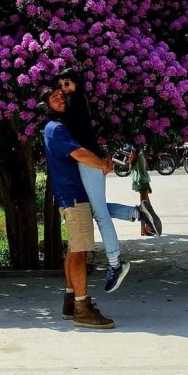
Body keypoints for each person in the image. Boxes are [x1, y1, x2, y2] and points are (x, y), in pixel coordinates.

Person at [55, 69, 156, 288]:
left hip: (87, 161)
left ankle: (115, 263)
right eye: (61, 85)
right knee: (92, 208)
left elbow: (76, 133)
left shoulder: (75, 101)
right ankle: (137, 213)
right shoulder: (80, 102)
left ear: (76, 83)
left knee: (99, 213)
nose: (63, 89)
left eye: (66, 83)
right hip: (91, 159)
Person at [41, 85, 115, 328]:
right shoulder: (56, 129)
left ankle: (71, 300)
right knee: (81, 252)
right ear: (46, 105)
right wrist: (103, 164)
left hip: (71, 196)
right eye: (55, 98)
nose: (61, 100)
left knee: (74, 250)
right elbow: (80, 154)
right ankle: (82, 308)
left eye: (62, 97)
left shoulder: (59, 128)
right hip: (74, 196)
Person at [128, 145, 162, 236]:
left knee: (145, 207)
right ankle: (144, 229)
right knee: (145, 208)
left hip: (140, 183)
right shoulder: (140, 157)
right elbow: (143, 174)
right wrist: (147, 185)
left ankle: (146, 228)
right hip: (142, 183)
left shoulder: (136, 157)